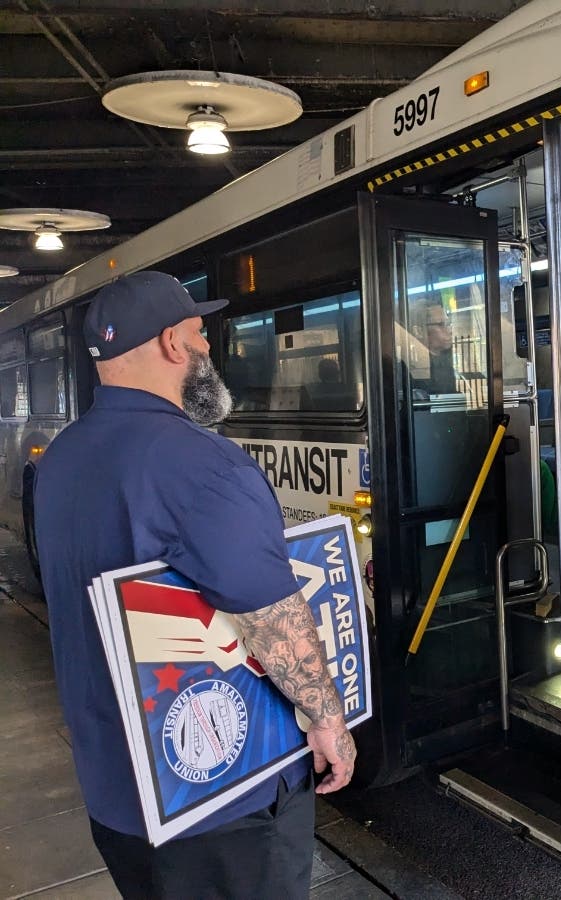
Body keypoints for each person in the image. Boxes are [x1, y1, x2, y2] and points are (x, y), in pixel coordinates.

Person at [33, 271, 356, 899]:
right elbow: (272, 616)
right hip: (222, 802)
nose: (208, 349)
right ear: (173, 345)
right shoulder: (203, 462)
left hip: (115, 793)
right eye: (200, 335)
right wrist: (327, 720)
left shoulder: (63, 458)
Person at [411, 300, 457, 395]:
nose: (449, 330)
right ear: (419, 331)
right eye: (441, 324)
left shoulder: (446, 363)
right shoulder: (410, 368)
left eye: (448, 324)